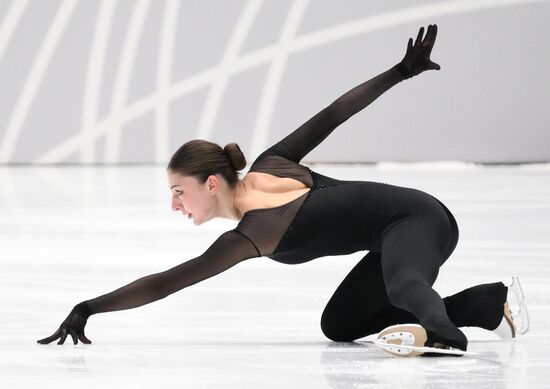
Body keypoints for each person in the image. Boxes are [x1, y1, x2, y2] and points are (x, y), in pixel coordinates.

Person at [37, 25, 526, 356]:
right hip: (387, 239)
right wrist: (90, 307)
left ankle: (446, 336)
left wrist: (400, 72)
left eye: (179, 192)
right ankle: (484, 303)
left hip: (418, 219)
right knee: (339, 326)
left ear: (211, 183)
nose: (175, 205)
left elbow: (335, 113)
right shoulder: (246, 235)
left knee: (403, 288)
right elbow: (170, 280)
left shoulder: (273, 171)